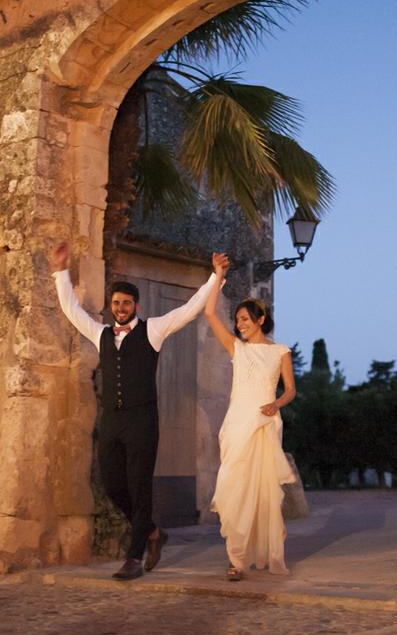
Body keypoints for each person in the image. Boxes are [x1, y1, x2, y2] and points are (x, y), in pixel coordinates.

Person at [52, 241, 221, 580]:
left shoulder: (153, 330)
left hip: (143, 420)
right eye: (116, 303)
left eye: (126, 303)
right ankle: (154, 532)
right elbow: (71, 310)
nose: (121, 308)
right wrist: (60, 271)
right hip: (112, 420)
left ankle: (134, 557)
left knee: (140, 485)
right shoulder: (100, 332)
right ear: (111, 306)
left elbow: (187, 310)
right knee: (113, 484)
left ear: (136, 305)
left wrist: (215, 277)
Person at [204, 252, 297, 581]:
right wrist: (218, 275)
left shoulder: (279, 351)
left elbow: (290, 390)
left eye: (245, 319)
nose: (240, 324)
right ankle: (236, 557)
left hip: (263, 422)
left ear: (260, 320)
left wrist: (276, 405)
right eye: (238, 320)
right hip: (237, 423)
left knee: (262, 492)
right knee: (233, 488)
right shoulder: (236, 349)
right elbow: (209, 312)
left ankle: (246, 559)